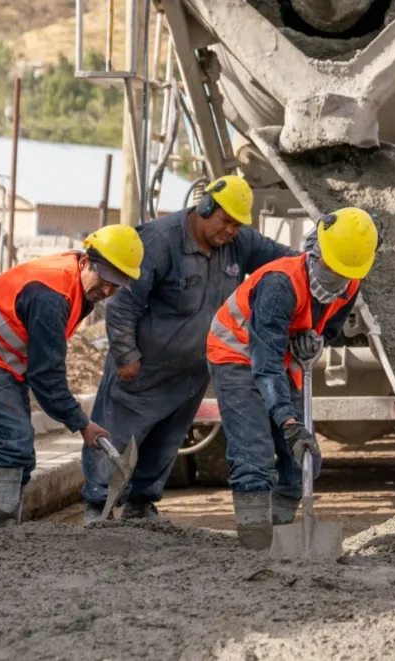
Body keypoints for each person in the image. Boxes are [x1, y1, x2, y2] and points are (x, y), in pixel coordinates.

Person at [80, 175, 296, 523]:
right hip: (143, 369)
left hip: (192, 372)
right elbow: (123, 303)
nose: (230, 231)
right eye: (225, 221)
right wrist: (126, 355)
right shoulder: (160, 239)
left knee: (166, 442)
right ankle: (97, 506)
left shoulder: (239, 243)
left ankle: (141, 505)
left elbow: (288, 263)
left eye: (237, 225)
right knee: (116, 435)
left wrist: (324, 261)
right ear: (205, 206)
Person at [0, 225, 145, 526]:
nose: (107, 291)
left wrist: (78, 421)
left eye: (116, 286)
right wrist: (81, 423)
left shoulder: (76, 284)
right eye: (105, 280)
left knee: (21, 451)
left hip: (2, 359)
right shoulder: (52, 295)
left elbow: (44, 366)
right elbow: (46, 375)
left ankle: (5, 525)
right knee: (12, 442)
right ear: (86, 262)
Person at [206, 208, 378, 550]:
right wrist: (287, 421)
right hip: (236, 352)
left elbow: (328, 328)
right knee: (254, 454)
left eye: (344, 273)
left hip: (281, 357)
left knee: (303, 457)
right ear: (316, 251)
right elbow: (265, 362)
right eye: (331, 269)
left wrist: (315, 340)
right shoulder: (280, 284)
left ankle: (280, 532)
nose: (336, 279)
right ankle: (256, 543)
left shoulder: (350, 284)